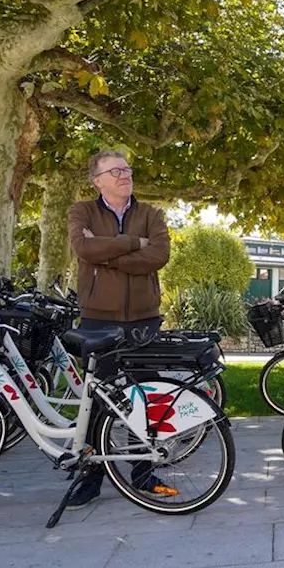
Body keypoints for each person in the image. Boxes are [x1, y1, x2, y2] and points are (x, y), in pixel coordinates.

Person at [65, 150, 173, 508]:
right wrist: (132, 244)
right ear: (97, 180)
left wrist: (106, 254)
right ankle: (91, 476)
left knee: (147, 396)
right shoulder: (82, 211)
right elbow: (83, 247)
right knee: (99, 399)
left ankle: (142, 471)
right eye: (115, 171)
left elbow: (158, 256)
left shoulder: (151, 214)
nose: (125, 174)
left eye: (127, 169)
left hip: (144, 318)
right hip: (98, 319)